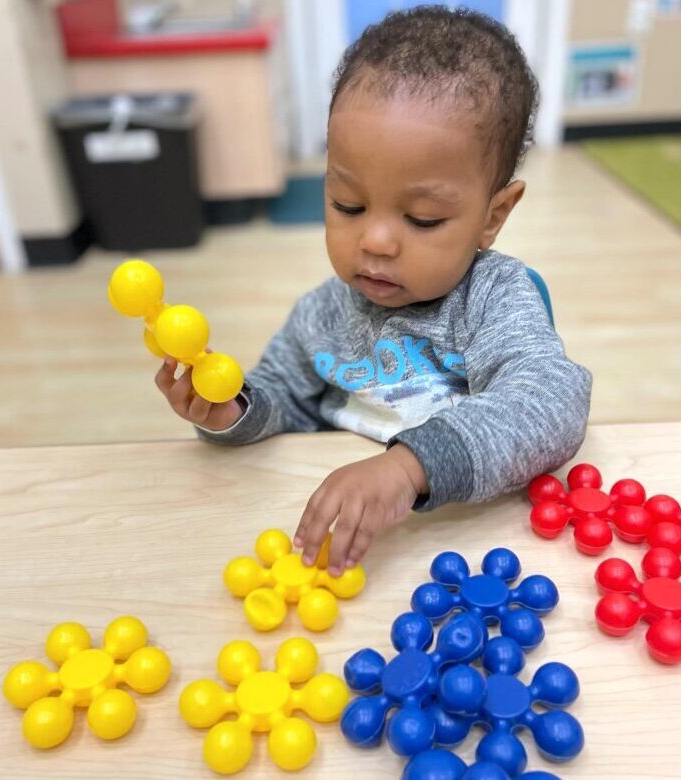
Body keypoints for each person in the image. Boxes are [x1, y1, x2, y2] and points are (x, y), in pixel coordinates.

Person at [155, 7, 592, 578]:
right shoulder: (321, 311)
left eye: (424, 218)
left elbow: (552, 403)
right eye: (348, 206)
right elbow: (282, 398)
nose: (377, 240)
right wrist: (231, 408)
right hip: (345, 547)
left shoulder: (493, 298)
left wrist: (410, 466)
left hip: (469, 546)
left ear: (494, 214)